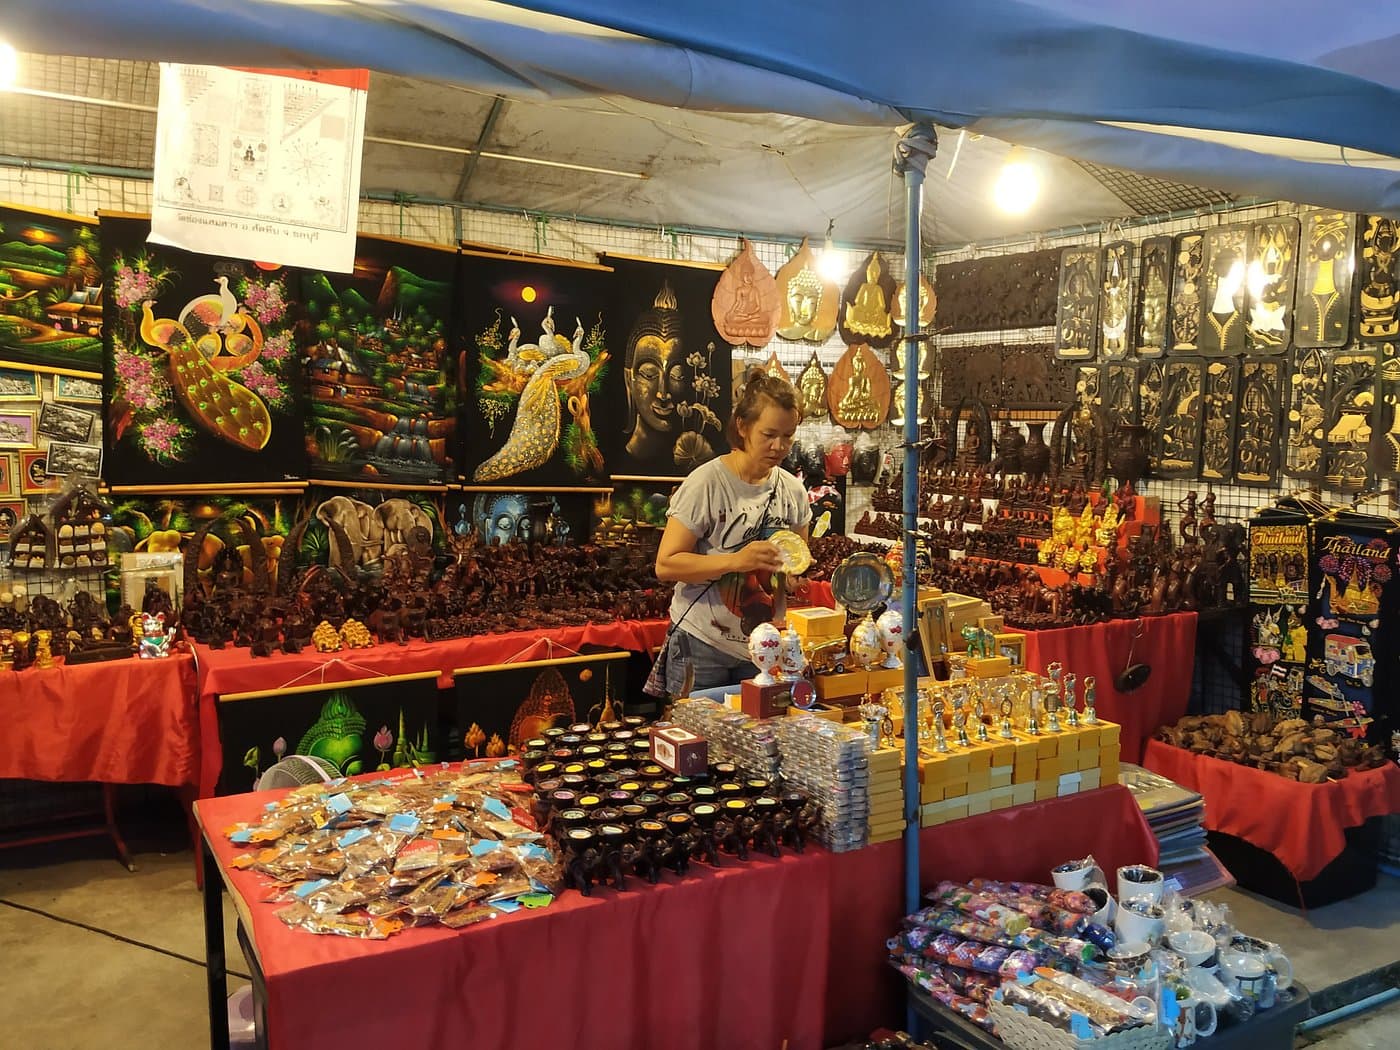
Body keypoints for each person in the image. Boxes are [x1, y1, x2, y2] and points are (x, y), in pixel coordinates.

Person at [652, 368, 810, 695]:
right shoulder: (707, 483)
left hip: (765, 646)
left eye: (788, 435)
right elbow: (666, 565)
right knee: (696, 741)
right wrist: (736, 560)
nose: (779, 446)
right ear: (742, 426)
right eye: (768, 434)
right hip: (701, 644)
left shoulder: (793, 492)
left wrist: (794, 579)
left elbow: (797, 564)